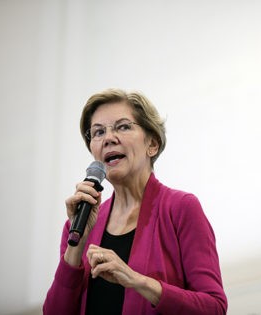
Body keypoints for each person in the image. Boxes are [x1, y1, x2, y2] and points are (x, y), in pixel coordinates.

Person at [43, 88, 227, 314]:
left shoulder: (181, 208)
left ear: (152, 144)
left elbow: (214, 308)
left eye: (123, 126)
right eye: (98, 132)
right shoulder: (77, 224)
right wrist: (75, 249)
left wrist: (136, 280)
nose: (108, 138)